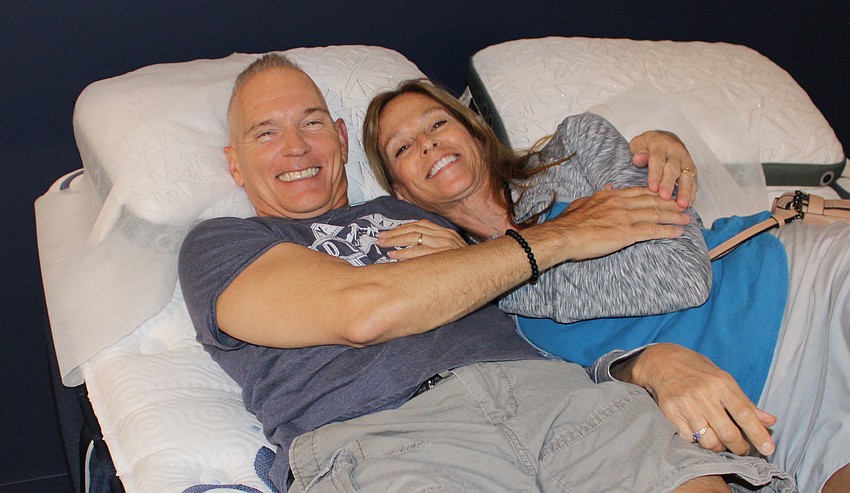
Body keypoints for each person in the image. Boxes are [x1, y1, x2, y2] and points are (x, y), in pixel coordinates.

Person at [177, 53, 795, 493]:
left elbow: (546, 314)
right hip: (385, 436)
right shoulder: (220, 245)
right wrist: (561, 236)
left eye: (312, 123)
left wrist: (640, 363)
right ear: (234, 163)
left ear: (339, 139)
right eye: (266, 132)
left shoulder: (429, 215)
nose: (295, 147)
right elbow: (359, 312)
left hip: (556, 400)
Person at [362, 78, 850, 492]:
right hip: (740, 413)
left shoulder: (575, 148)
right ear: (401, 190)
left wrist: (499, 272)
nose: (426, 143)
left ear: (473, 130)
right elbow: (562, 397)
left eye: (437, 123)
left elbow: (681, 276)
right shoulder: (456, 300)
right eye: (402, 147)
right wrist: (486, 270)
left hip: (803, 287)